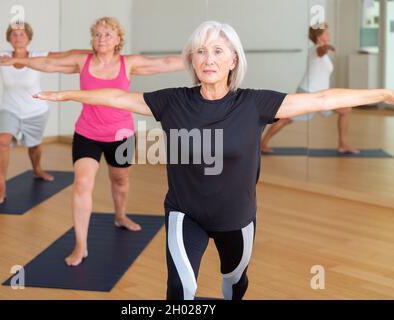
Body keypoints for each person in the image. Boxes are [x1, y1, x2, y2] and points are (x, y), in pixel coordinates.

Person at [34, 21, 393, 300]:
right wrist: (67, 93)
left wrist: (385, 92)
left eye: (219, 51)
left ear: (233, 60)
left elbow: (324, 98)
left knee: (235, 284)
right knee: (181, 291)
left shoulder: (254, 104)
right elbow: (116, 96)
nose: (209, 59)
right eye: (202, 51)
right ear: (193, 59)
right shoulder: (173, 101)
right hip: (183, 213)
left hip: (236, 219)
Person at [0, 17, 185, 266]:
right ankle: (81, 245)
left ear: (118, 39)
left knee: (120, 181)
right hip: (87, 133)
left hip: (120, 134)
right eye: (97, 34)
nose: (101, 39)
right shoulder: (82, 60)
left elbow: (165, 62)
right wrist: (17, 60)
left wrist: (202, 57)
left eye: (107, 34)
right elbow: (49, 63)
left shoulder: (128, 63)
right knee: (82, 184)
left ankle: (120, 215)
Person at [0, 22, 88, 204]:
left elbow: (69, 54)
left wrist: (99, 51)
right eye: (14, 34)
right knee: (1, 142)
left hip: (36, 111)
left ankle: (37, 169)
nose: (18, 37)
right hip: (9, 110)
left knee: (34, 146)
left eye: (22, 34)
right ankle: (1, 187)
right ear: (8, 38)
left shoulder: (40, 56)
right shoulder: (1, 58)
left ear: (29, 37)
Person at [261, 23, 360, 154]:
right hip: (309, 92)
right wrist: (326, 47)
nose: (329, 34)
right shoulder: (316, 50)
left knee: (345, 110)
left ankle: (343, 144)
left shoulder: (319, 51)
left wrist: (325, 47)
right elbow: (322, 50)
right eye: (326, 33)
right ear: (319, 36)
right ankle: (262, 144)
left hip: (321, 94)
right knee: (286, 119)